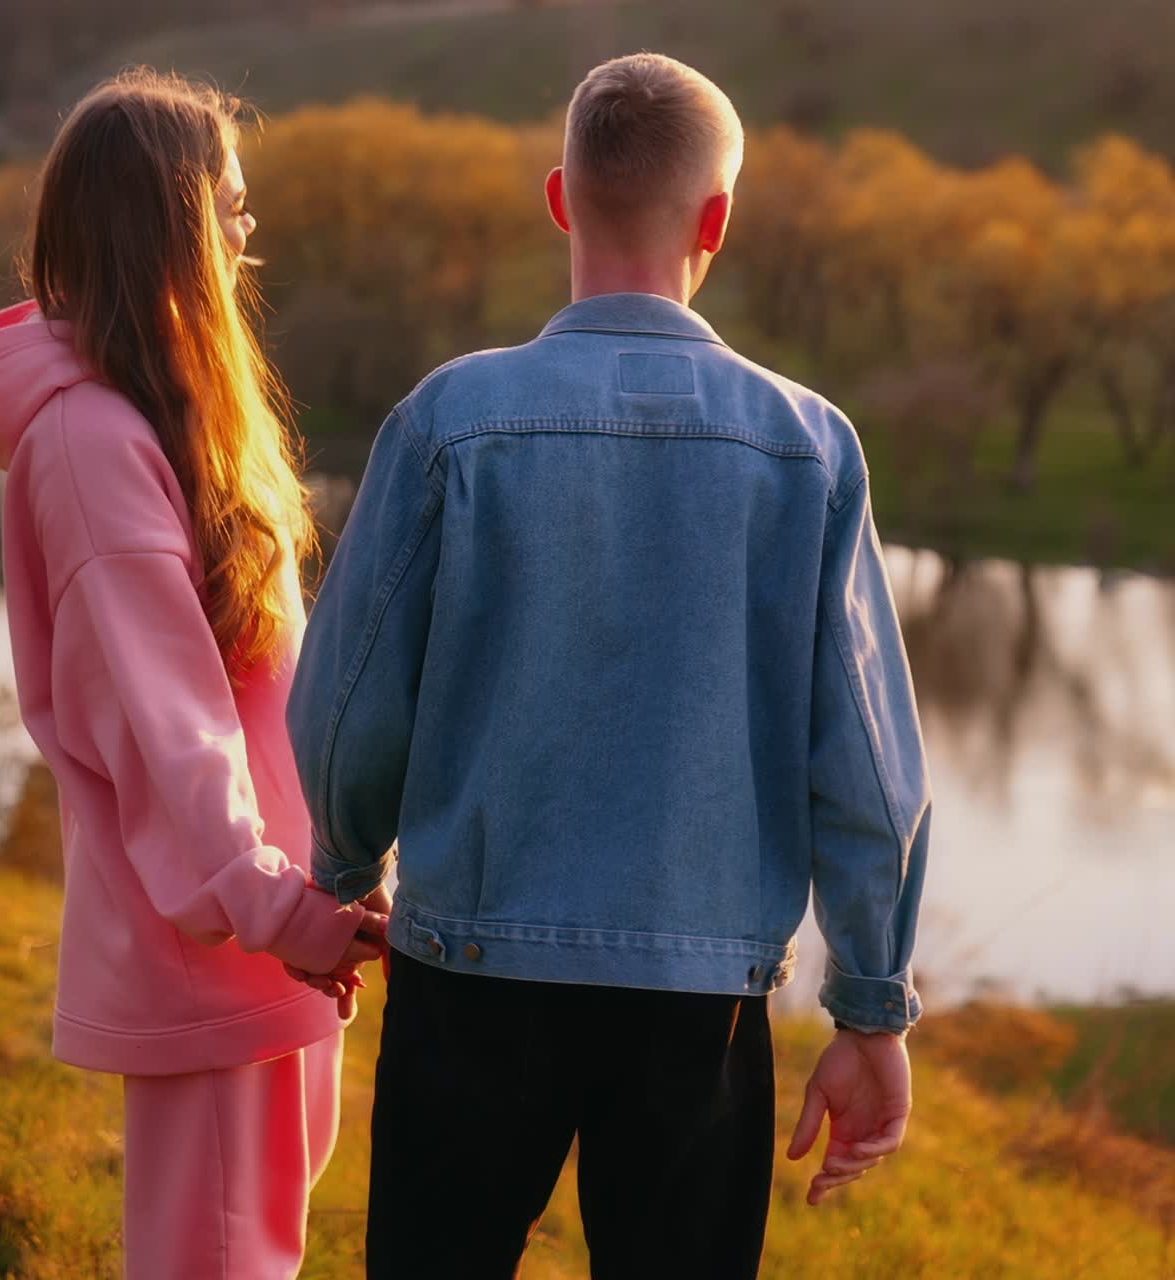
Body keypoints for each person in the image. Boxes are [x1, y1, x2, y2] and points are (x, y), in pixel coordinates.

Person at [288, 53, 929, 1279]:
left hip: (466, 970)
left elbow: (348, 693)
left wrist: (339, 869)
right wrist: (869, 1002)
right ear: (718, 223)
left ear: (557, 199)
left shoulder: (448, 420)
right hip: (701, 1002)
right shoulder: (807, 447)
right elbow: (866, 761)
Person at [0, 70, 387, 1279]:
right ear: (168, 224)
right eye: (228, 206)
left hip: (274, 929)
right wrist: (278, 905)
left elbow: (257, 693)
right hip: (225, 937)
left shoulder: (169, 418)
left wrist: (329, 879)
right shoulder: (89, 444)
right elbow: (165, 726)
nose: (247, 233)